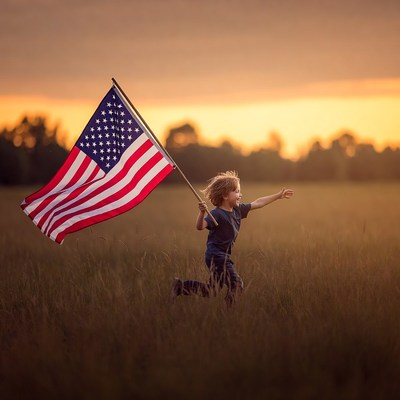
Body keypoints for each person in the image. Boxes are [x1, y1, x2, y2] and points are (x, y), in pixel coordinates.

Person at [171, 170, 294, 306]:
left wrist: (278, 196)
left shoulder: (237, 210)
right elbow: (200, 226)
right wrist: (201, 212)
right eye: (236, 191)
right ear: (224, 195)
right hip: (216, 256)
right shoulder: (216, 214)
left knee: (212, 290)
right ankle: (227, 311)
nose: (240, 195)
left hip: (222, 255)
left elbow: (258, 203)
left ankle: (180, 286)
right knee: (237, 284)